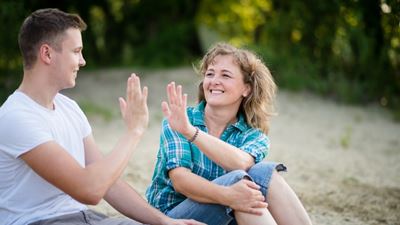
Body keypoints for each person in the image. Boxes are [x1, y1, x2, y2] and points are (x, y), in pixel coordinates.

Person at [0, 8, 204, 225]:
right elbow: (90, 190)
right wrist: (134, 131)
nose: (82, 61)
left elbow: (108, 184)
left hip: (85, 218)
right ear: (47, 54)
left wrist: (165, 222)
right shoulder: (16, 118)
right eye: (76, 51)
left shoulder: (68, 107)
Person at [146, 43, 313, 225]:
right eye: (210, 74)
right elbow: (180, 181)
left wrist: (192, 133)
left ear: (246, 89)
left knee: (264, 173)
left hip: (223, 217)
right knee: (239, 183)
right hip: (171, 218)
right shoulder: (181, 120)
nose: (214, 80)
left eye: (225, 75)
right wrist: (229, 196)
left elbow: (241, 163)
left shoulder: (253, 135)